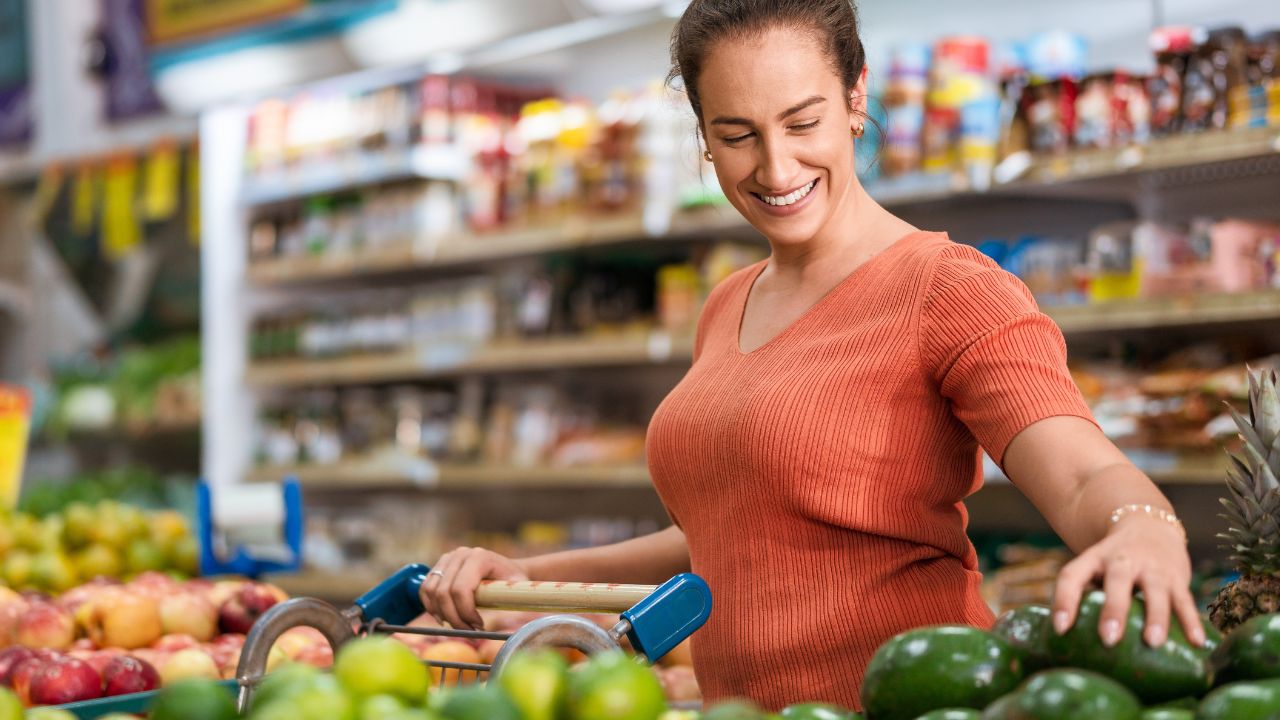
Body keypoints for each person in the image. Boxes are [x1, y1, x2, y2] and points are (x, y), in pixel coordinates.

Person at [421, 0, 1201, 711]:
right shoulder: (729, 301)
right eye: (736, 135)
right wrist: (525, 578)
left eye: (802, 123)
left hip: (901, 703)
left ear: (856, 98)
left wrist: (1141, 526)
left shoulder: (948, 287)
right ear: (702, 133)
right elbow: (730, 529)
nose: (776, 168)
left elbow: (1082, 470)